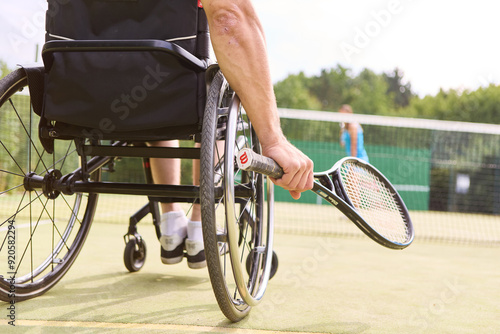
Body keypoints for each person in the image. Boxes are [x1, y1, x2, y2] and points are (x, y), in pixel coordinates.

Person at [150, 0, 315, 269]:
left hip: (84, 89)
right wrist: (273, 139)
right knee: (212, 107)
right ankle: (199, 224)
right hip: (175, 89)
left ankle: (170, 222)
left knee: (151, 109)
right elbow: (229, 18)